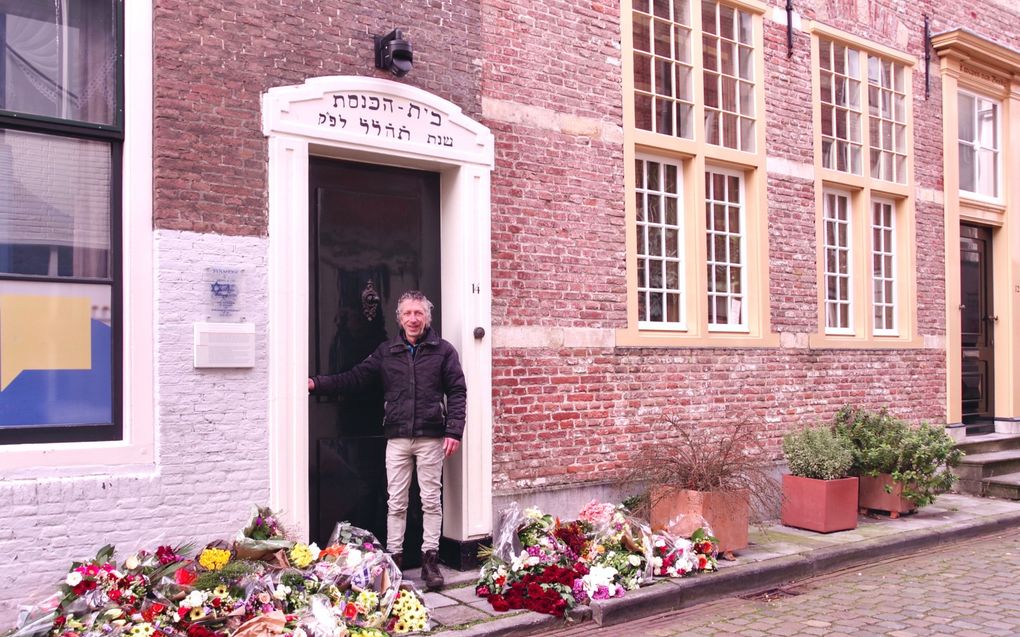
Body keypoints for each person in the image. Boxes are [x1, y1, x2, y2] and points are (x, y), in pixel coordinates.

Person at [308, 290, 466, 590]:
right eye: (407, 313)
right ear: (399, 318)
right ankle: (394, 558)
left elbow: (457, 391)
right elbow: (355, 378)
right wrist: (318, 383)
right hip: (397, 438)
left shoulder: (443, 351)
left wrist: (454, 430)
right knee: (396, 502)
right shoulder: (387, 351)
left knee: (431, 500)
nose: (413, 319)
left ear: (427, 318)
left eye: (418, 313)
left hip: (431, 437)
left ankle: (430, 560)